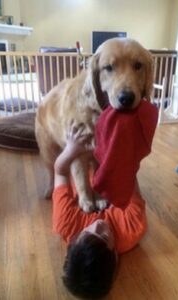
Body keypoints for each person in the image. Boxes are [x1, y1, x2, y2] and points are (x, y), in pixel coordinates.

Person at [52, 124, 148, 299]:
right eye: (104, 236)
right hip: (111, 168)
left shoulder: (65, 223)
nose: (98, 225)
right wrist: (114, 148)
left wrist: (71, 150)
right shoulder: (133, 227)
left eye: (87, 233)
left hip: (78, 163)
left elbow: (60, 171)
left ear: (73, 241)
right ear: (115, 256)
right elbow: (129, 172)